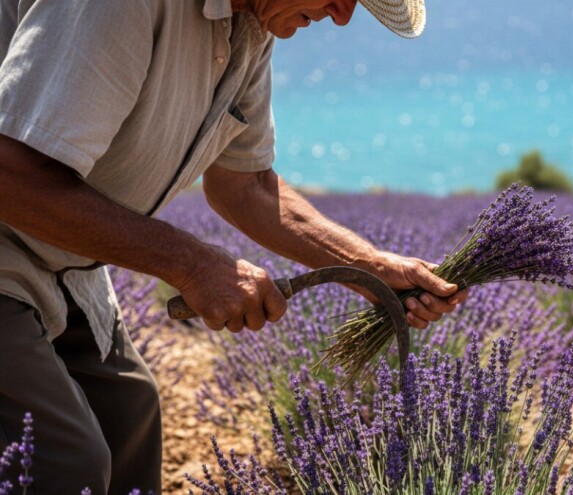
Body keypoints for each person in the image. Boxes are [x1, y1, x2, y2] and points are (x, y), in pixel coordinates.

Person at [0, 0, 465, 492]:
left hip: (66, 263)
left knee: (129, 419)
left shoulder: (251, 25)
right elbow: (12, 176)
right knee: (62, 461)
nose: (344, 15)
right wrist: (192, 263)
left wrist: (370, 267)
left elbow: (247, 185)